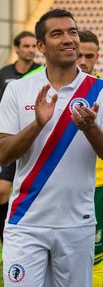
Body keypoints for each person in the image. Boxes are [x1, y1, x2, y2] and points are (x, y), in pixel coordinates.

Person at [0, 9, 103, 286]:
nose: (68, 39)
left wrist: (91, 129)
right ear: (41, 46)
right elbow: (4, 153)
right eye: (57, 34)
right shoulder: (19, 89)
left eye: (73, 32)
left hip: (77, 223)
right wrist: (37, 125)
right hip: (26, 221)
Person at [76, 29, 103, 287]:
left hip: (100, 181)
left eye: (89, 56)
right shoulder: (58, 89)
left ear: (97, 57)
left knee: (94, 248)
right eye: (79, 54)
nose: (83, 61)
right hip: (66, 182)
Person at [0, 31, 41, 244]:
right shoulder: (4, 73)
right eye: (25, 46)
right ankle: (5, 238)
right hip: (10, 140)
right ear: (17, 49)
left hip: (33, 142)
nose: (30, 50)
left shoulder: (42, 73)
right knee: (2, 190)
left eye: (33, 46)